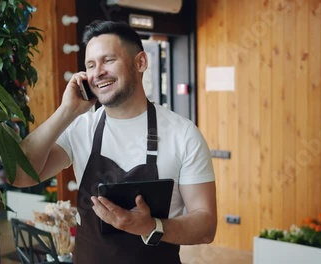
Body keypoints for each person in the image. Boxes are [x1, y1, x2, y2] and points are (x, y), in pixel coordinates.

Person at [13, 20, 217, 264]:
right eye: (90, 65)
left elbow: (205, 226)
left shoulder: (183, 134)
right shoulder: (81, 128)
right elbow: (20, 175)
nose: (98, 72)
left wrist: (152, 226)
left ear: (140, 62)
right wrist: (66, 111)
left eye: (108, 60)